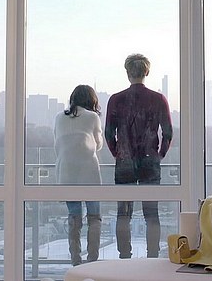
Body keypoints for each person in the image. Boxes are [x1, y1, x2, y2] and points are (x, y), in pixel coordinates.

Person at [104, 53, 173, 258]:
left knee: (123, 213)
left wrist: (118, 153)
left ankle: (124, 257)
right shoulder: (158, 99)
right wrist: (159, 155)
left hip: (124, 160)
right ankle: (152, 256)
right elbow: (168, 133)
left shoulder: (116, 99)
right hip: (149, 160)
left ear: (128, 73)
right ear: (146, 72)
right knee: (151, 214)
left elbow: (109, 133)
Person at [54, 84, 104, 266]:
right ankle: (93, 260)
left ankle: (76, 259)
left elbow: (57, 144)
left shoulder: (59, 117)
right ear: (92, 100)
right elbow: (98, 144)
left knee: (74, 218)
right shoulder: (92, 117)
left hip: (66, 172)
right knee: (94, 217)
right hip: (89, 172)